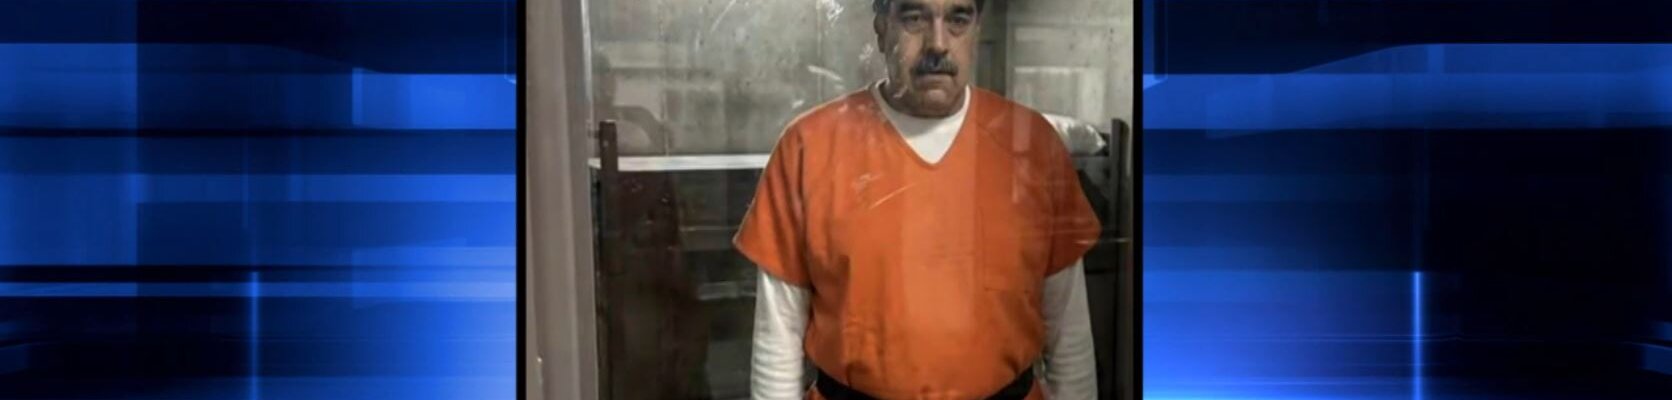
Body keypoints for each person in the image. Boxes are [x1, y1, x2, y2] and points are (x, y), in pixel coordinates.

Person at [734, 0, 1101, 398]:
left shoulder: (1032, 144)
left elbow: (1069, 338)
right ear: (881, 29)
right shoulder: (809, 147)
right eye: (914, 18)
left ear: (977, 29)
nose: (938, 43)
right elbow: (779, 339)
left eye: (958, 19)